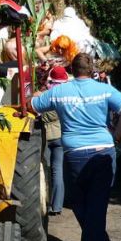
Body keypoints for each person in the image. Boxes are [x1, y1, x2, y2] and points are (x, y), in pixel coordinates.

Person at [28, 53, 121, 241]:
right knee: (98, 201)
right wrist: (116, 136)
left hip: (75, 154)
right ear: (92, 69)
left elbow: (32, 105)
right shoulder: (104, 90)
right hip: (104, 151)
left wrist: (37, 91)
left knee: (79, 201)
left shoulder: (59, 92)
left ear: (72, 70)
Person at [41, 66, 69, 215]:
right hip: (60, 136)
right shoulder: (66, 95)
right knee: (58, 172)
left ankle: (45, 202)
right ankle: (57, 206)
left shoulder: (47, 94)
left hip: (46, 137)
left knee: (45, 171)